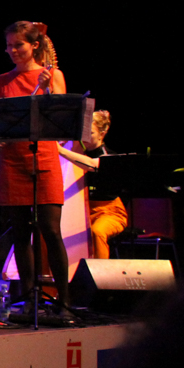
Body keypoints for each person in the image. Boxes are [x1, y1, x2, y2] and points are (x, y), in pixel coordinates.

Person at [0, 20, 72, 315]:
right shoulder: (1, 81)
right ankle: (28, 299)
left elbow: (61, 121)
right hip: (13, 161)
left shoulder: (53, 75)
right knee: (19, 233)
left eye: (18, 45)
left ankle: (64, 301)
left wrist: (48, 89)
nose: (12, 51)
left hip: (44, 158)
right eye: (9, 46)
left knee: (50, 230)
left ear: (35, 45)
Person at [58, 110, 128, 259]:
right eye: (83, 133)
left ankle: (101, 272)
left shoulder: (109, 156)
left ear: (102, 134)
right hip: (84, 211)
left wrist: (59, 150)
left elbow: (91, 164)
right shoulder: (77, 152)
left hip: (110, 212)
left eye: (90, 133)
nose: (85, 138)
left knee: (97, 231)